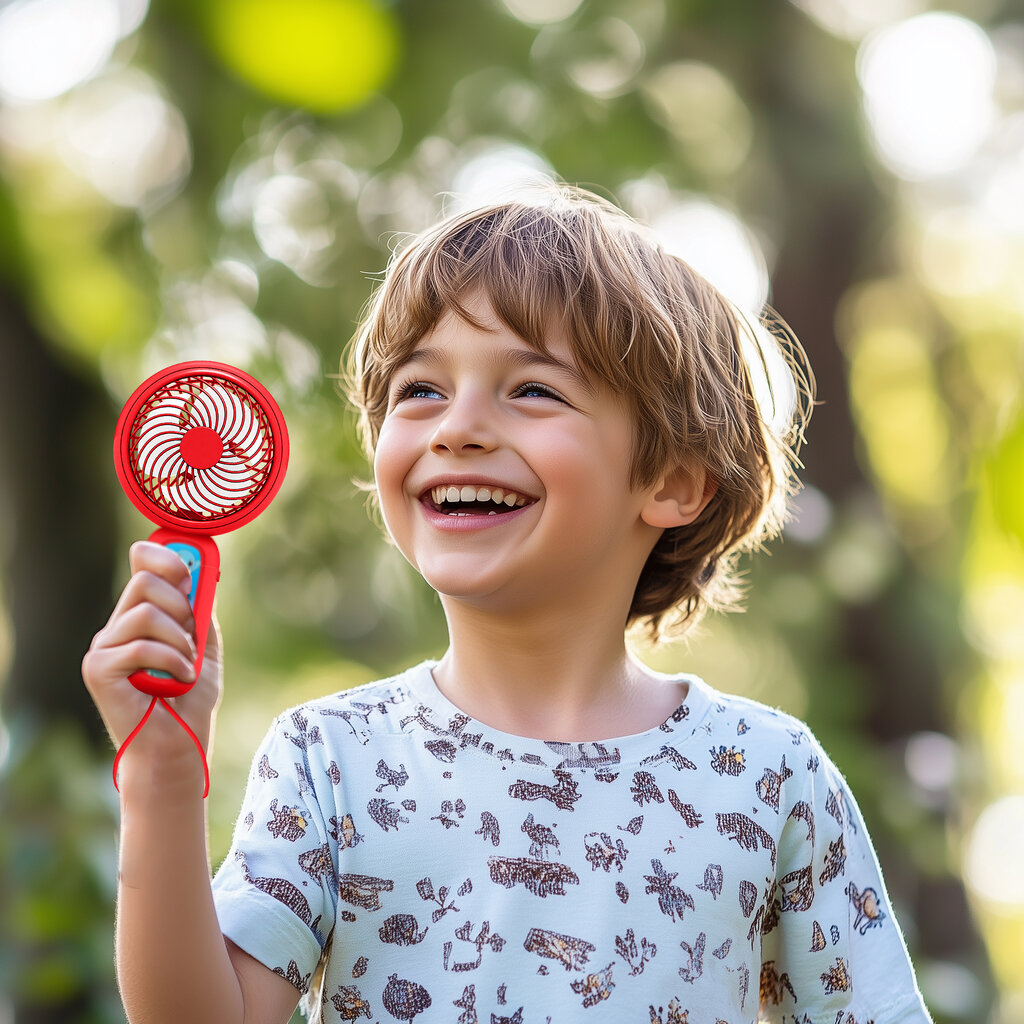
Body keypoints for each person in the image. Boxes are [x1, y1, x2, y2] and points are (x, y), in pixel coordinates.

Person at [82, 184, 933, 1023]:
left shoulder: (767, 773)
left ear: (673, 481)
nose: (457, 427)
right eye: (420, 390)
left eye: (533, 390)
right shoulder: (330, 759)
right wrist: (160, 773)